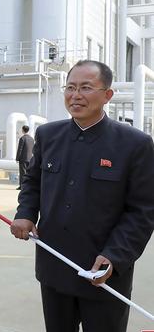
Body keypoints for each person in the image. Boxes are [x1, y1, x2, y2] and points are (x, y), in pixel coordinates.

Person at [11, 60, 154, 332]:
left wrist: (115, 256)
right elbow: (33, 183)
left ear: (107, 95)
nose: (75, 95)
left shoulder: (134, 144)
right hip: (55, 266)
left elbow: (143, 210)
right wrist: (26, 214)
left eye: (86, 88)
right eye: (70, 87)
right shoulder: (49, 135)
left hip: (102, 273)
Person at [15, 124, 34, 190]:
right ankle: (28, 186)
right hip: (30, 158)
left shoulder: (22, 138)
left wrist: (17, 158)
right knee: (29, 173)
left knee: (23, 173)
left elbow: (20, 149)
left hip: (23, 159)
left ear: (23, 130)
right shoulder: (32, 139)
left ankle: (22, 186)